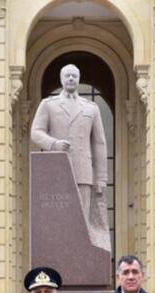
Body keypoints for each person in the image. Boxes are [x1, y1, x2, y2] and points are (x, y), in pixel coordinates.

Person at [30, 63, 111, 252]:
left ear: (79, 78)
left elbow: (99, 144)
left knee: (82, 219)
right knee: (57, 219)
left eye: (74, 75)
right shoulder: (48, 105)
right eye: (67, 75)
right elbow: (36, 132)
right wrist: (53, 143)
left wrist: (101, 178)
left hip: (83, 170)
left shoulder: (91, 108)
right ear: (61, 78)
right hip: (57, 171)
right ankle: (57, 250)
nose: (71, 79)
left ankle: (80, 252)